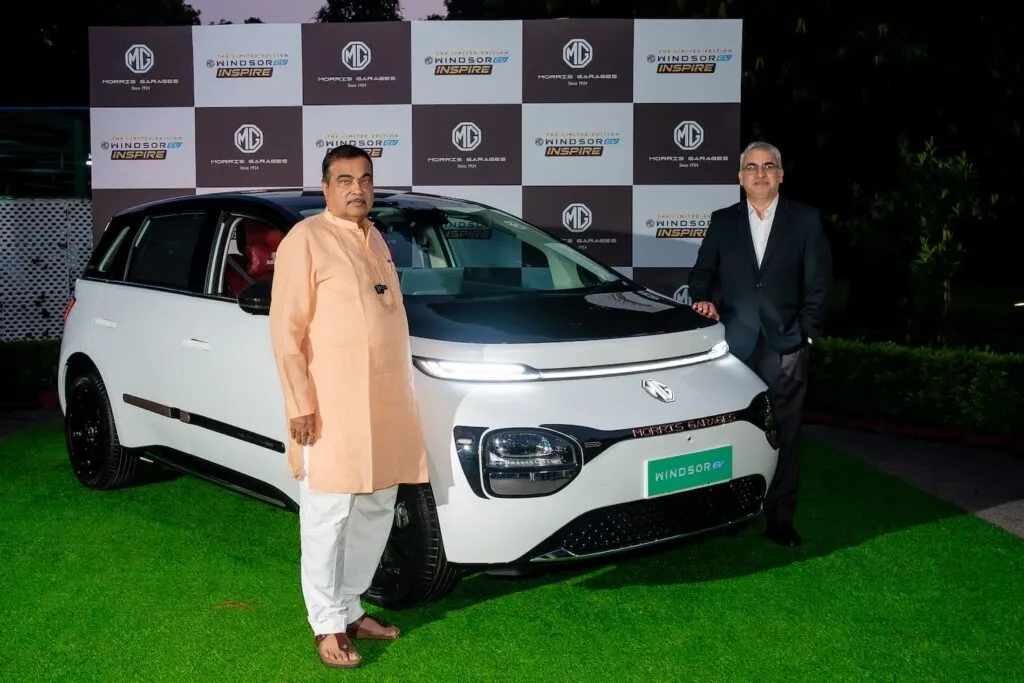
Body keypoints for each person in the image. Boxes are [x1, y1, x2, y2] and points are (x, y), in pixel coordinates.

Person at [268, 144, 430, 669]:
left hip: (386, 404)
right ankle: (325, 624)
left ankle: (351, 607)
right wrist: (300, 404)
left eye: (365, 179)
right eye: (344, 180)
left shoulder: (375, 237)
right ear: (325, 188)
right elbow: (286, 331)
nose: (357, 189)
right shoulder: (305, 238)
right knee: (328, 515)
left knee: (378, 505)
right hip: (330, 408)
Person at [688, 141, 832, 548]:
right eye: (751, 167)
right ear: (740, 177)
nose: (760, 173)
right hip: (735, 344)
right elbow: (701, 274)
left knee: (785, 431)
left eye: (768, 166)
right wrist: (703, 298)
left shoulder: (804, 220)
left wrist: (804, 333)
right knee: (731, 430)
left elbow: (820, 284)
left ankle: (780, 519)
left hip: (786, 344)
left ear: (780, 175)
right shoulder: (722, 221)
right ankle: (731, 511)